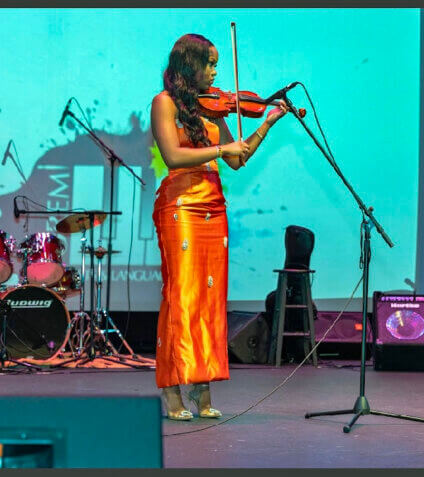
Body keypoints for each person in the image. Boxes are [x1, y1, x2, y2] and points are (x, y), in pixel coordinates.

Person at [151, 33, 289, 420]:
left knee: (210, 301)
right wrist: (220, 149)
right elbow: (174, 156)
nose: (214, 71)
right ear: (189, 64)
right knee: (182, 297)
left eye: (215, 64)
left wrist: (268, 124)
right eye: (209, 63)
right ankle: (172, 387)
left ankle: (201, 384)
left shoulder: (213, 109)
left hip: (214, 207)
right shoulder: (164, 104)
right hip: (180, 205)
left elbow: (237, 159)